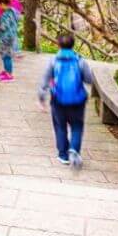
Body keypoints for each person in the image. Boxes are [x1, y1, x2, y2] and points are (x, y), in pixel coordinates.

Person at [38, 33, 95, 169]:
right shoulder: (80, 61)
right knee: (76, 126)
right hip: (78, 100)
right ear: (73, 45)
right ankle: (74, 149)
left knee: (60, 126)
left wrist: (41, 98)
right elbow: (89, 79)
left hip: (58, 100)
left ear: (58, 45)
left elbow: (45, 81)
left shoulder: (53, 61)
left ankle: (63, 155)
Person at [0, 0, 19, 82]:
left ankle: (9, 75)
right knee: (4, 55)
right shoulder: (12, 11)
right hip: (9, 37)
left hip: (7, 38)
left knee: (7, 56)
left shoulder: (6, 14)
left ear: (2, 4)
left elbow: (4, 27)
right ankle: (6, 71)